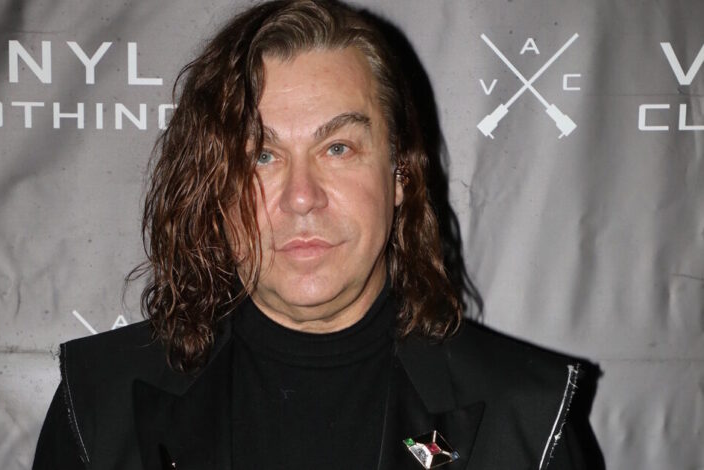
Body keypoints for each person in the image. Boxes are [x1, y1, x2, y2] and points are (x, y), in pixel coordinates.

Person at [33, 1, 595, 469]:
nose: (302, 196)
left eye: (337, 148)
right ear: (214, 187)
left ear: (400, 174)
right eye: (262, 154)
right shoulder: (99, 409)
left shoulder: (526, 421)